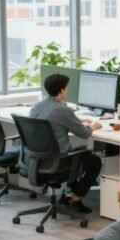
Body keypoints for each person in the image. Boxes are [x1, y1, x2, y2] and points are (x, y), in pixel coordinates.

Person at [28, 73, 103, 214]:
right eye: (66, 89)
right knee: (94, 161)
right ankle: (74, 198)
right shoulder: (63, 110)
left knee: (79, 154)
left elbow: (54, 119)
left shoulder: (36, 107)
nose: (67, 91)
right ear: (61, 90)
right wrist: (94, 126)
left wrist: (77, 120)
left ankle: (69, 193)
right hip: (59, 162)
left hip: (38, 160)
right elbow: (84, 134)